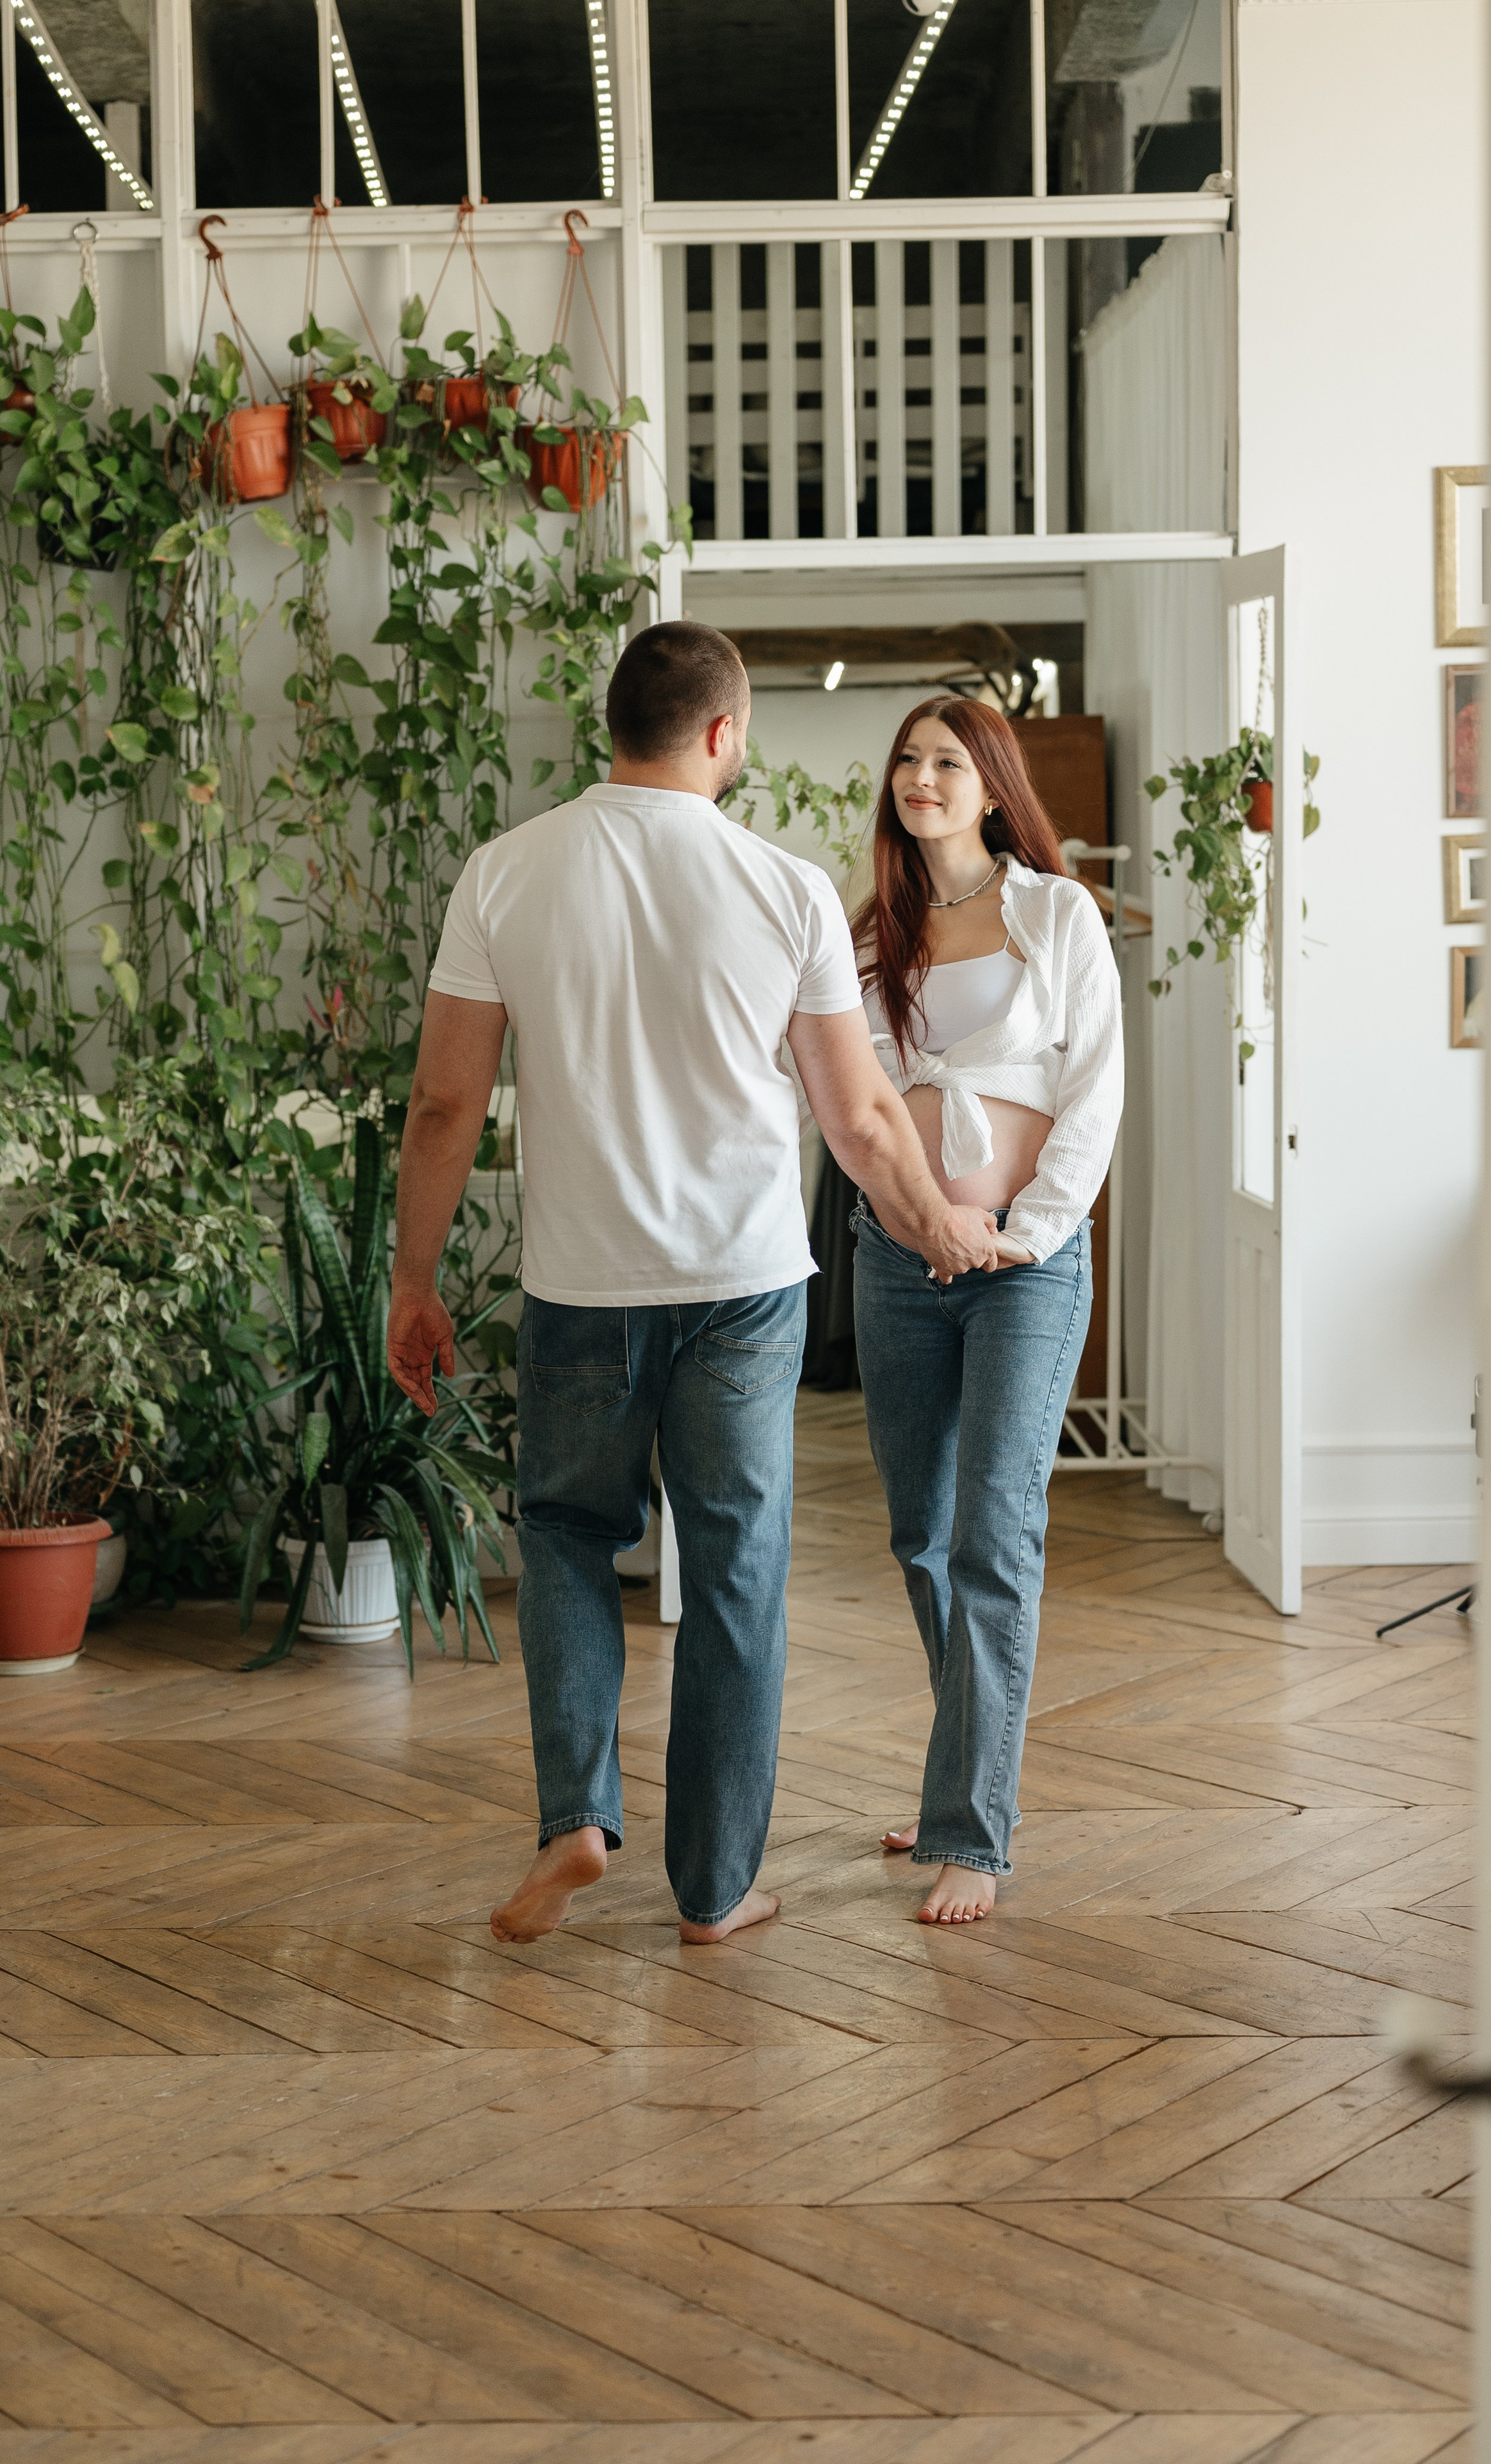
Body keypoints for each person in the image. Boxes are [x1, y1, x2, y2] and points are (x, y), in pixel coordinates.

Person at [385, 623, 986, 1946]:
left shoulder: (506, 872)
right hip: (743, 1284)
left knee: (563, 1533)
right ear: (721, 733)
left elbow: (442, 1104)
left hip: (580, 1283)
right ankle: (714, 1889)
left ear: (615, 725)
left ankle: (576, 1821)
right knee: (732, 1568)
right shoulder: (781, 886)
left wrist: (411, 1283)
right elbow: (861, 1122)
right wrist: (938, 1225)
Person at [851, 696, 1123, 1927]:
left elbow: (1093, 1096)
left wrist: (1022, 1233)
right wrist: (925, 1223)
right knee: (921, 1535)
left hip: (1021, 1266)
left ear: (994, 784)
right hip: (899, 1262)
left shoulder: (1055, 914)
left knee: (993, 1539)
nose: (921, 778)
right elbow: (851, 1109)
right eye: (908, 760)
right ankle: (962, 1770)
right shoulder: (872, 937)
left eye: (948, 762)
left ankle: (975, 1833)